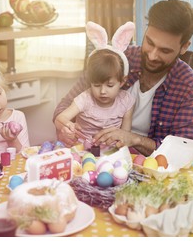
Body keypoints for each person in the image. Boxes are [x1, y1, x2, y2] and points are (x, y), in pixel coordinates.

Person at [54, 0, 193, 156]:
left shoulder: (190, 88)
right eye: (149, 42)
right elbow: (64, 106)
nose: (152, 56)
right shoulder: (116, 59)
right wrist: (64, 127)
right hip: (96, 154)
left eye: (164, 51)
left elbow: (182, 149)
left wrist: (134, 139)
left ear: (184, 47)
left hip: (147, 165)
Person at [54, 21, 135, 150]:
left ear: (122, 81)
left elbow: (125, 135)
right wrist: (68, 125)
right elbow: (60, 118)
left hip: (111, 153)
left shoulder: (126, 101)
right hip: (82, 151)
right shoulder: (85, 99)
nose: (102, 91)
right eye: (96, 85)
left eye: (110, 85)